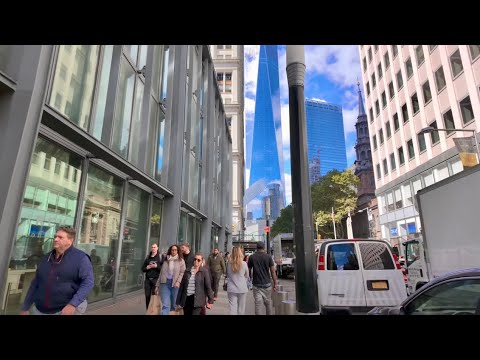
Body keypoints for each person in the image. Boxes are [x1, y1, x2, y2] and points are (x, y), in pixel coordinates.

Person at [20, 226, 94, 315]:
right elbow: (35, 283)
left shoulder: (81, 258)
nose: (55, 239)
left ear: (70, 240)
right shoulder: (45, 258)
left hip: (65, 310)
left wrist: (72, 304)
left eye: (60, 237)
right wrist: (26, 306)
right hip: (39, 310)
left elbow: (88, 282)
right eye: (55, 236)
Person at [247, 241, 277, 315]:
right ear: (264, 248)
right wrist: (275, 283)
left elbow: (249, 270)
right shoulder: (268, 257)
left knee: (258, 304)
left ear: (256, 248)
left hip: (256, 284)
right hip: (267, 283)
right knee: (268, 303)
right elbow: (273, 271)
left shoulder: (252, 257)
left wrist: (250, 279)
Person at [155, 244, 185, 315]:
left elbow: (182, 272)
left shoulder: (181, 261)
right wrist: (157, 285)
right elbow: (161, 273)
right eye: (172, 250)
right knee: (165, 305)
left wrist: (178, 282)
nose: (173, 251)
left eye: (175, 250)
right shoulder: (166, 259)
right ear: (170, 251)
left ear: (177, 251)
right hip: (164, 284)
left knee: (173, 305)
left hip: (175, 285)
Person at [226, 246, 249, 315]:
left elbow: (227, 274)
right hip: (242, 288)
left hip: (231, 288)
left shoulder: (229, 264)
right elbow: (247, 275)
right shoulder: (244, 264)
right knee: (241, 309)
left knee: (232, 308)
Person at [142, 243, 162, 309]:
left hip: (156, 279)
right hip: (148, 280)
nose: (153, 248)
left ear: (157, 248)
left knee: (154, 296)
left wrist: (157, 266)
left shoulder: (160, 257)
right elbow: (143, 269)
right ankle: (148, 310)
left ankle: (154, 310)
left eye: (154, 247)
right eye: (152, 247)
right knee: (147, 296)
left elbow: (163, 269)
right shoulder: (148, 257)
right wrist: (147, 267)